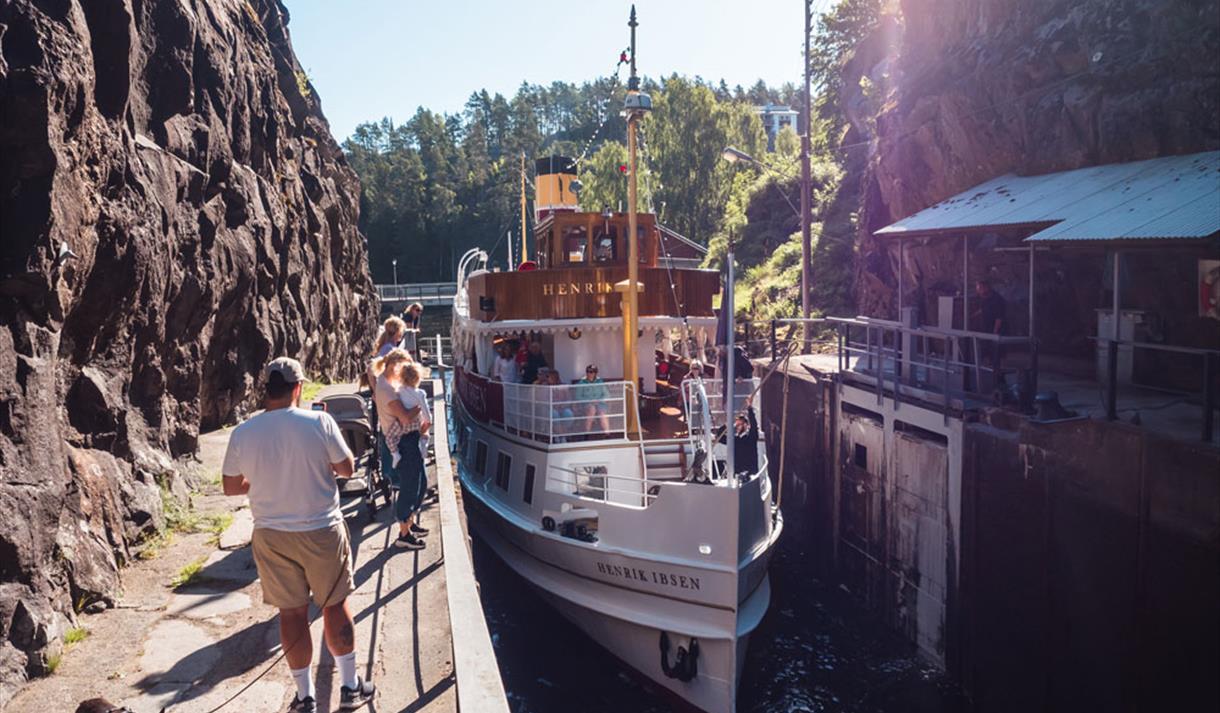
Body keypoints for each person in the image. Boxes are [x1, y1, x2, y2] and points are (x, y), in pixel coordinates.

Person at [222, 358, 376, 712]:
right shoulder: (319, 421)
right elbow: (347, 467)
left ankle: (305, 697)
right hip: (321, 528)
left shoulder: (243, 433)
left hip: (271, 534)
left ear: (266, 390)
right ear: (298, 388)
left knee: (290, 615)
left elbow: (231, 487)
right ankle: (351, 688)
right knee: (334, 606)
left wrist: (263, 479)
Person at [371, 348, 429, 551]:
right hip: (403, 442)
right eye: (404, 367)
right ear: (395, 366)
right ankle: (404, 534)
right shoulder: (387, 389)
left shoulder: (384, 382)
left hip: (408, 440)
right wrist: (420, 406)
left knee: (420, 483)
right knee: (410, 487)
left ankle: (410, 524)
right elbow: (405, 417)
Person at [719, 395, 759, 477]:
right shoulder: (734, 439)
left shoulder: (751, 436)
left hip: (750, 474)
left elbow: (754, 426)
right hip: (736, 475)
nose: (737, 426)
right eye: (736, 424)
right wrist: (726, 425)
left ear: (746, 424)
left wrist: (750, 408)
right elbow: (720, 437)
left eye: (740, 424)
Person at [574, 364, 611, 435]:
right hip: (586, 404)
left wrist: (599, 400)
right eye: (588, 371)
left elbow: (607, 395)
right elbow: (578, 397)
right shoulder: (581, 382)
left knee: (602, 413)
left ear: (595, 373)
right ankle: (587, 434)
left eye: (592, 372)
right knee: (592, 410)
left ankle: (607, 434)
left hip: (599, 403)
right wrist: (589, 401)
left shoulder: (600, 382)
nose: (589, 373)